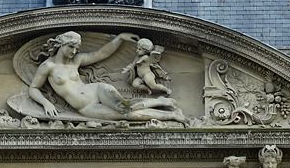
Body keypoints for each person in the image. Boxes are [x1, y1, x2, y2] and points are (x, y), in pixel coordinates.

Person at [28, 31, 186, 123]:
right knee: (127, 115)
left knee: (125, 107)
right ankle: (171, 113)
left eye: (76, 48)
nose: (74, 51)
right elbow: (33, 88)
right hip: (85, 107)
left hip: (97, 90)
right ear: (60, 45)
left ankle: (160, 102)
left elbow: (101, 53)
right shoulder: (48, 66)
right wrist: (46, 103)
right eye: (71, 47)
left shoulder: (76, 60)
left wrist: (120, 38)